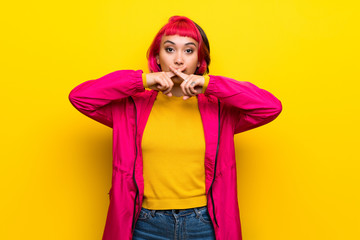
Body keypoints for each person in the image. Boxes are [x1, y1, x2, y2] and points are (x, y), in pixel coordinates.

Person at [69, 16, 282, 240]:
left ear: (199, 60)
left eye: (189, 51)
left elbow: (270, 107)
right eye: (170, 49)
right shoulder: (131, 107)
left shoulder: (219, 110)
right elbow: (81, 97)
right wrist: (142, 81)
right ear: (157, 58)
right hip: (144, 224)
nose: (179, 59)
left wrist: (210, 84)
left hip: (203, 224)